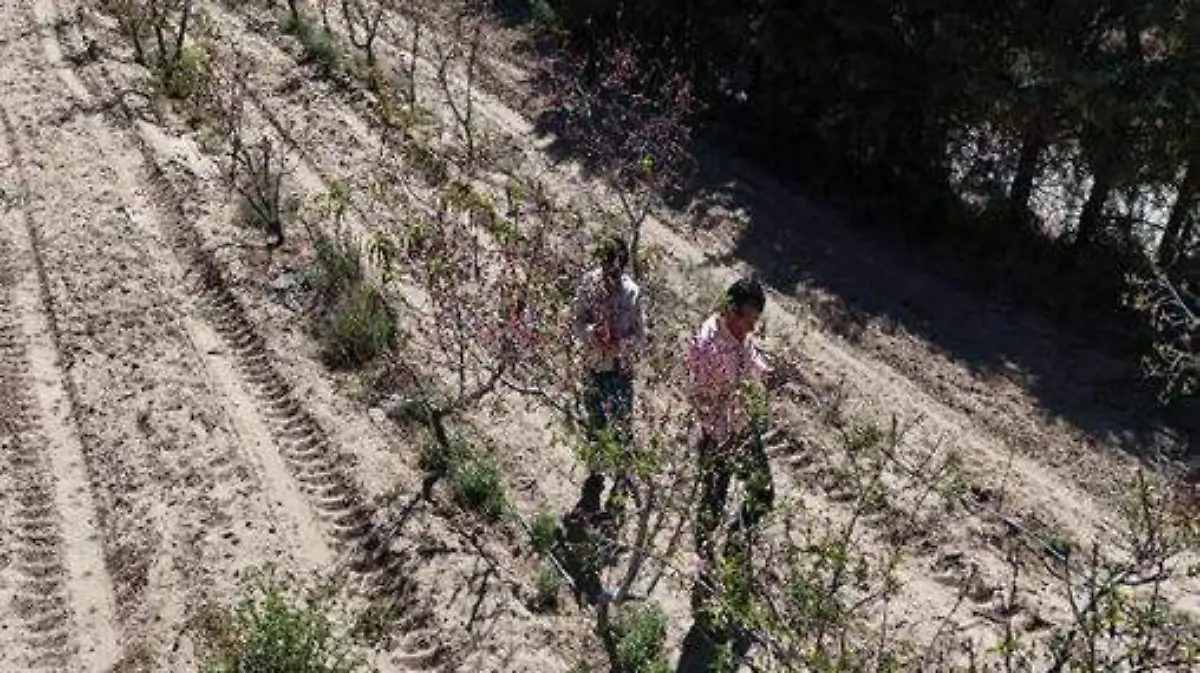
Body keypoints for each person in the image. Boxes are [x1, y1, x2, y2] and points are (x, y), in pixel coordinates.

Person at [685, 274, 775, 576]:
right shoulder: (709, 345)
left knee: (762, 493)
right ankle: (704, 566)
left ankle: (735, 544)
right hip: (718, 436)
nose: (753, 328)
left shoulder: (738, 333)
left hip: (743, 428)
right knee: (712, 502)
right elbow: (701, 400)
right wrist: (724, 437)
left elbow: (750, 358)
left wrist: (767, 373)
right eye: (749, 319)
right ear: (731, 311)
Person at [570, 234, 647, 520]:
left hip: (620, 371)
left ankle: (620, 491)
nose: (609, 272)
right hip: (593, 366)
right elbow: (577, 321)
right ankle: (593, 487)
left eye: (615, 266)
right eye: (605, 264)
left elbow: (641, 336)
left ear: (623, 265)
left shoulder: (632, 293)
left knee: (622, 430)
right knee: (595, 427)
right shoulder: (588, 284)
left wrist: (619, 344)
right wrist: (593, 335)